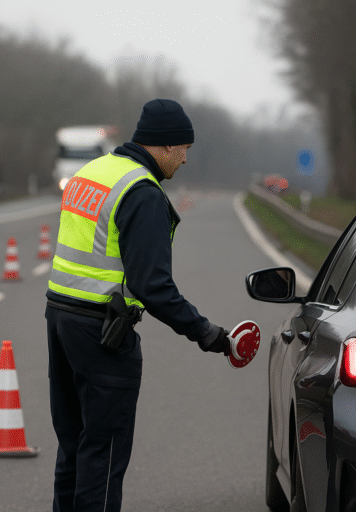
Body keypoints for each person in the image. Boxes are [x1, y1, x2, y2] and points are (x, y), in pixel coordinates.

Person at [45, 98, 235, 512]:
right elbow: (152, 286)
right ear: (164, 147)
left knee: (74, 446)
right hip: (102, 333)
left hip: (59, 320)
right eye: (184, 149)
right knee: (104, 452)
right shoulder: (141, 193)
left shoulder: (91, 173)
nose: (185, 160)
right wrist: (205, 333)